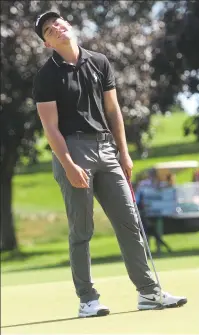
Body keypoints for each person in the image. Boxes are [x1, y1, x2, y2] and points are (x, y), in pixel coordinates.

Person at [33, 11, 187, 317]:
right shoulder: (46, 76)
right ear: (48, 44)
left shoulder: (100, 61)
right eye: (49, 31)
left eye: (59, 23)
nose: (57, 29)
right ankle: (87, 300)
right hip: (72, 149)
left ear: (70, 25)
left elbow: (113, 110)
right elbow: (51, 128)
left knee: (129, 222)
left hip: (106, 149)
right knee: (82, 229)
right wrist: (68, 164)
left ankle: (149, 292)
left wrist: (124, 152)